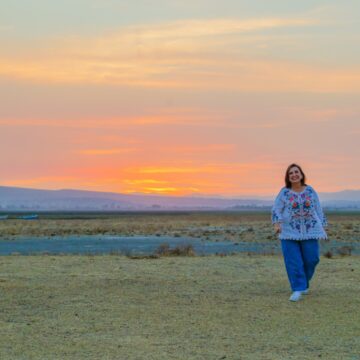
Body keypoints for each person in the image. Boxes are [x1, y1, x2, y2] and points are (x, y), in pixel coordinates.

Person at [271, 163, 327, 302]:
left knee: (312, 259)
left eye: (296, 172)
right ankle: (297, 289)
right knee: (293, 261)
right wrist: (277, 223)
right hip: (288, 232)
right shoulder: (284, 192)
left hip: (310, 231)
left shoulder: (310, 191)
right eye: (291, 173)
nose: (294, 175)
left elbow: (318, 209)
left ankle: (303, 283)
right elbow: (276, 209)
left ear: (301, 174)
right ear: (288, 177)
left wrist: (323, 225)